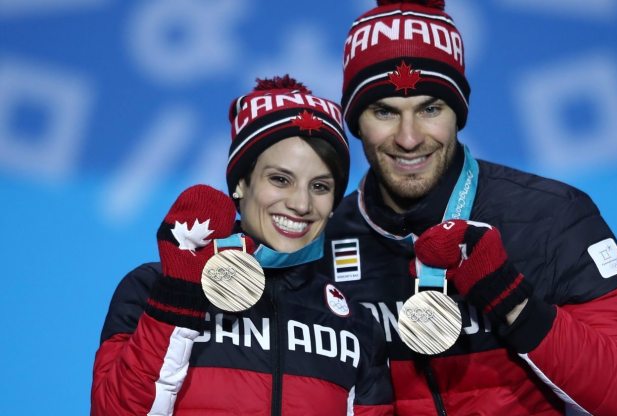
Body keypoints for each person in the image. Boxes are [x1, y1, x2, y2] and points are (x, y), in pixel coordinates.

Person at [321, 1, 617, 415]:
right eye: (385, 112)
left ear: (459, 114)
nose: (409, 138)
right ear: (356, 122)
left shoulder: (550, 216)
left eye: (430, 109)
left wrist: (513, 302)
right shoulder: (326, 242)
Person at [91, 76, 394, 415]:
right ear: (240, 183)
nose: (301, 204)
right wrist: (178, 294)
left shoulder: (355, 321)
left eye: (320, 187)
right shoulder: (150, 288)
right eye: (280, 179)